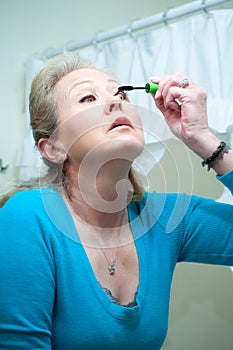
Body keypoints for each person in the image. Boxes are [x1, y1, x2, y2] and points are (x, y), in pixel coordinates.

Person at [0, 52, 233, 350]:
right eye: (87, 98)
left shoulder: (167, 218)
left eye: (119, 92)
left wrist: (201, 136)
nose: (115, 101)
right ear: (53, 148)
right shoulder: (27, 218)